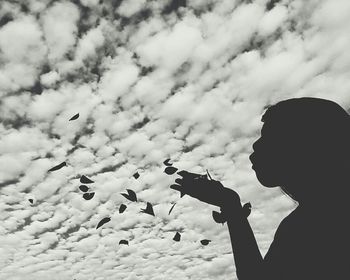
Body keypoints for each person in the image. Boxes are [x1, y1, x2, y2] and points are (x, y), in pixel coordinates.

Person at [171, 97, 350, 280]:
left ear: (311, 143)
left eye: (271, 135)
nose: (255, 144)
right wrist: (230, 205)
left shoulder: (312, 223)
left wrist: (231, 206)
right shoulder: (310, 219)